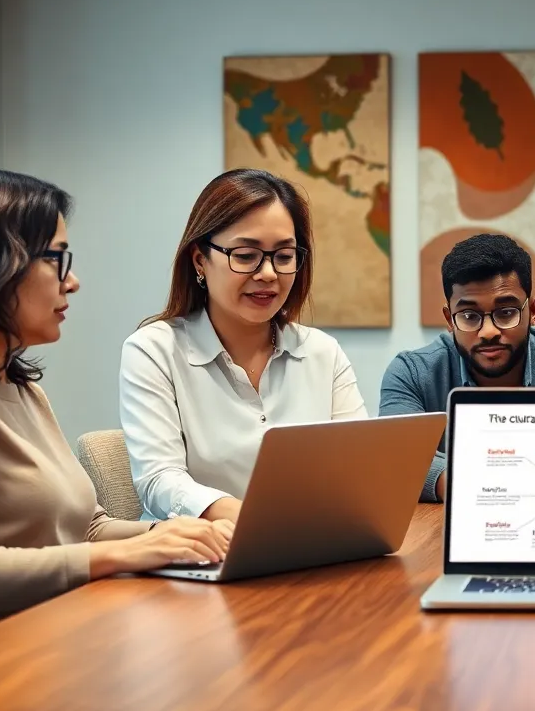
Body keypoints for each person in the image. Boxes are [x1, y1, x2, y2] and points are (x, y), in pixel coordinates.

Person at [0, 162, 231, 673]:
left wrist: (173, 536)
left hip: (22, 657)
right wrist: (125, 556)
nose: (73, 282)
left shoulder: (17, 386)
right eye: (56, 259)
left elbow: (86, 527)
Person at [120, 169, 367, 524]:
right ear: (200, 260)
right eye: (246, 255)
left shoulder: (322, 352)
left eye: (283, 256)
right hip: (201, 553)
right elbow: (159, 480)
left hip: (309, 546)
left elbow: (357, 465)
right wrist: (254, 518)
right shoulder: (154, 350)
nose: (268, 273)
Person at [380, 233, 535, 502]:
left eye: (506, 312)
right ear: (449, 319)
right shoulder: (411, 374)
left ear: (533, 311)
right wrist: (492, 485)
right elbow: (394, 459)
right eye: (469, 316)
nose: (488, 331)